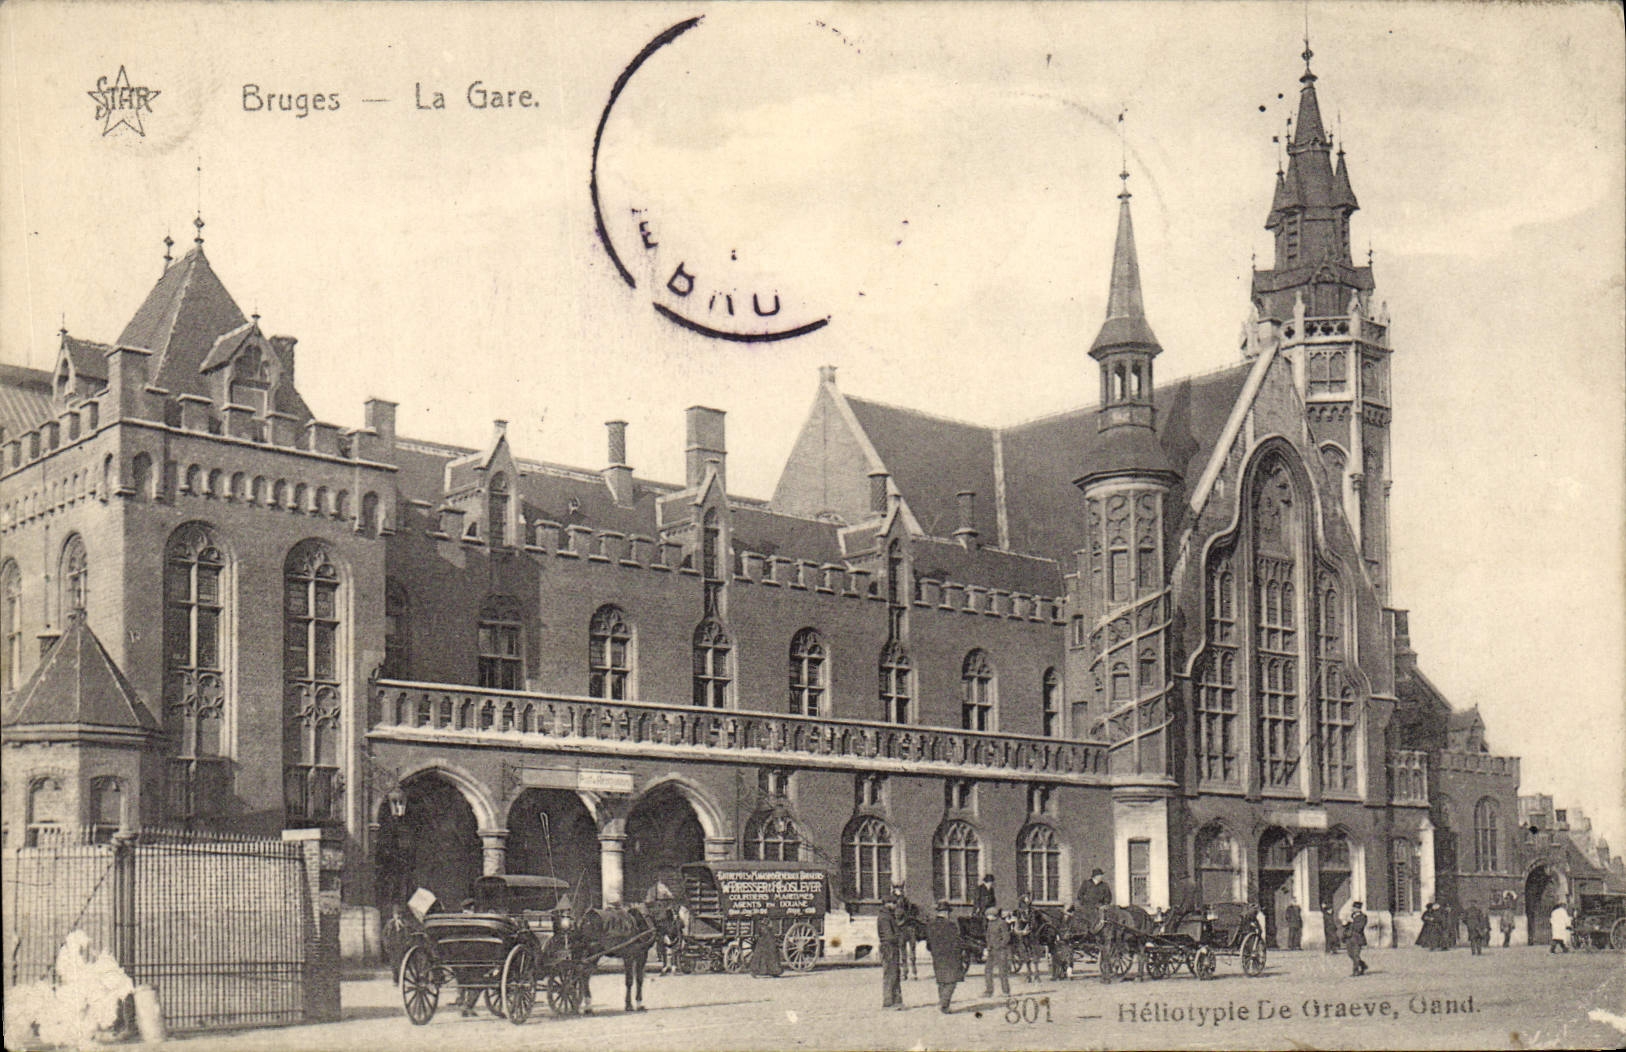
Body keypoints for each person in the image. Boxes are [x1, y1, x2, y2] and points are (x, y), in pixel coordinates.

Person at [925, 901, 965, 1014]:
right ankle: (944, 1004)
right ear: (946, 913)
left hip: (937, 957)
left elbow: (928, 944)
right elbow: (956, 942)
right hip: (951, 957)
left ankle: (943, 1002)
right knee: (951, 981)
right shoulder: (951, 925)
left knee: (941, 981)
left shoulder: (930, 925)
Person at [878, 899, 904, 1009]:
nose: (894, 905)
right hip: (889, 947)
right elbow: (889, 936)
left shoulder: (888, 916)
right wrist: (898, 937)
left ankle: (897, 1001)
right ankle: (889, 1002)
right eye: (893, 903)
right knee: (890, 974)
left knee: (895, 974)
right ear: (887, 904)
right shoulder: (885, 917)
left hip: (891, 947)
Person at [983, 908, 1012, 998]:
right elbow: (988, 936)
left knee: (1002, 971)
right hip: (991, 950)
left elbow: (1006, 937)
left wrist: (1000, 945)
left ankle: (1006, 991)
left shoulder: (1001, 923)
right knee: (987, 971)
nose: (988, 917)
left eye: (989, 915)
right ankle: (989, 991)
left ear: (993, 915)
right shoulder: (990, 924)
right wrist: (988, 947)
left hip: (1000, 951)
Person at [1345, 901, 1368, 976]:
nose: (1353, 909)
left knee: (1355, 955)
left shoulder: (1363, 917)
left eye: (1354, 908)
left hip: (1358, 938)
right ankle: (1363, 965)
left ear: (1358, 909)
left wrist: (1352, 922)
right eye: (1353, 907)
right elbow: (1347, 927)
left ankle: (1356, 971)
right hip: (1349, 937)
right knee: (1350, 954)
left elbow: (1359, 928)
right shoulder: (1352, 916)